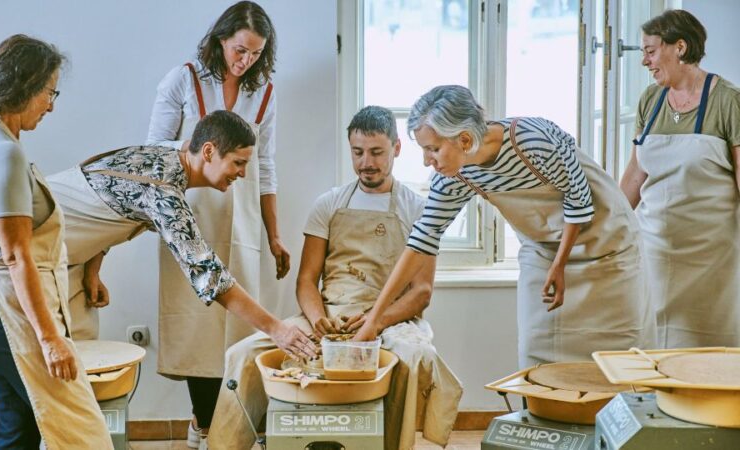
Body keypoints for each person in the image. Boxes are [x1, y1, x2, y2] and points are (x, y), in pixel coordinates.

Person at [0, 111, 318, 449]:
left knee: (33, 405)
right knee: (25, 401)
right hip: (21, 269)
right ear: (207, 151)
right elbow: (209, 274)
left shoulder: (168, 154)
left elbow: (106, 196)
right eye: (238, 163)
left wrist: (92, 266)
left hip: (60, 262)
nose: (242, 173)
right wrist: (276, 329)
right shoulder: (164, 191)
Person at [207, 106, 463, 450]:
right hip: (328, 315)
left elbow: (421, 292)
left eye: (376, 152)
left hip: (388, 320)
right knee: (244, 353)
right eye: (358, 152)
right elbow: (307, 281)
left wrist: (374, 322)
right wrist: (318, 320)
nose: (366, 162)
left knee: (417, 357)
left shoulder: (417, 208)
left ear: (397, 148)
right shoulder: (329, 203)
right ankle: (224, 446)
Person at [355, 85, 656, 368]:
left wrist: (560, 265)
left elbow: (578, 199)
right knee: (537, 350)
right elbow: (421, 240)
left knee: (621, 352)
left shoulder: (535, 140)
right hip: (543, 250)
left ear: (463, 139)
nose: (426, 161)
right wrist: (373, 321)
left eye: (432, 149)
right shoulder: (454, 175)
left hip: (607, 242)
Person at [0, 34, 113, 449]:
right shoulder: (4, 152)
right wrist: (51, 340)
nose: (51, 104)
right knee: (80, 431)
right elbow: (17, 254)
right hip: (3, 304)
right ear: (23, 85)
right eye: (48, 91)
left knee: (17, 424)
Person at [145, 2, 285, 444]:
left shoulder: (264, 94)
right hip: (187, 212)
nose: (245, 61)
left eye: (256, 54)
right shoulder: (182, 80)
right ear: (222, 39)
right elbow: (154, 152)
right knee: (195, 321)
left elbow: (265, 165)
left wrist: (274, 233)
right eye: (240, 50)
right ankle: (202, 423)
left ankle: (236, 424)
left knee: (239, 323)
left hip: (239, 215)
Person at [620, 10, 740, 348]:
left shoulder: (729, 101)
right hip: (654, 249)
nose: (644, 61)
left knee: (706, 352)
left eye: (651, 50)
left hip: (711, 258)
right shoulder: (651, 101)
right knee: (652, 347)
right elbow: (634, 175)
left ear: (680, 47)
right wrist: (609, 225)